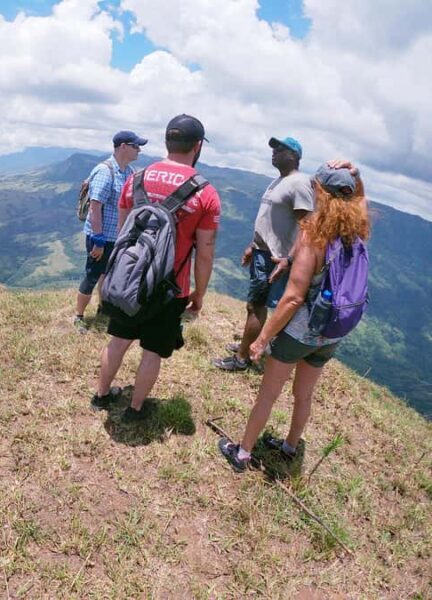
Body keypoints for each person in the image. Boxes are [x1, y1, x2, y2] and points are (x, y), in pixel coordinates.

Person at [218, 161, 369, 471]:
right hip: (332, 332)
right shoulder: (356, 232)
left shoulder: (315, 236)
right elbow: (360, 198)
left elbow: (293, 298)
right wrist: (355, 174)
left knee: (268, 394)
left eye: (315, 188)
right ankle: (289, 446)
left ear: (321, 193)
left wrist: (262, 339)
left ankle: (242, 453)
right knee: (304, 394)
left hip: (301, 332)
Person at [90, 115, 221, 421]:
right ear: (197, 146)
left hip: (130, 278)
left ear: (166, 141)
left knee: (118, 340)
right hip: (170, 287)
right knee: (151, 351)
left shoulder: (136, 179)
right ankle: (135, 409)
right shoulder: (205, 193)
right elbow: (205, 253)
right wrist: (199, 294)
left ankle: (101, 395)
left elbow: (124, 232)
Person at [213, 137, 314, 371]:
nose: (274, 152)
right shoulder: (278, 181)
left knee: (256, 305)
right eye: (274, 148)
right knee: (255, 305)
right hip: (263, 252)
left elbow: (307, 228)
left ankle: (242, 358)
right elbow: (270, 221)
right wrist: (254, 245)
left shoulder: (299, 184)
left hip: (275, 259)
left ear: (294, 156)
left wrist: (289, 259)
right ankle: (249, 345)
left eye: (280, 149)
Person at [74, 130, 146, 333]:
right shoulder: (106, 172)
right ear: (123, 146)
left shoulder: (129, 172)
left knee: (108, 276)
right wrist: (98, 240)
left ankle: (103, 310)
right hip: (101, 236)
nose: (139, 150)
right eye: (135, 146)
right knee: (93, 275)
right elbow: (95, 207)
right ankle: (79, 316)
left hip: (118, 237)